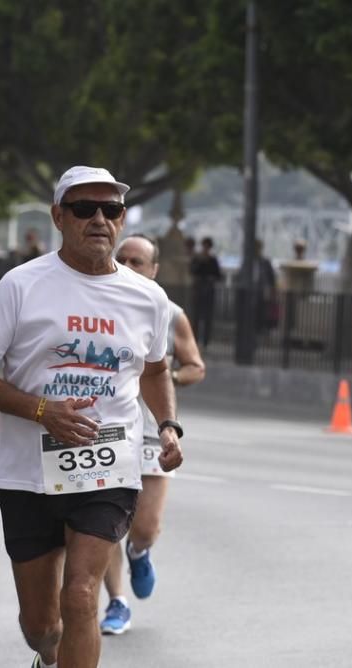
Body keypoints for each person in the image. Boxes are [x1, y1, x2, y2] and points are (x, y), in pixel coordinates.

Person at [0, 165, 184, 668]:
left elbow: (155, 369)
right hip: (27, 471)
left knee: (81, 596)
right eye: (85, 209)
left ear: (122, 220)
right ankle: (48, 658)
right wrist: (41, 411)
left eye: (111, 209)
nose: (99, 219)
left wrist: (167, 425)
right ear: (59, 216)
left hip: (108, 464)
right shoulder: (19, 286)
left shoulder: (149, 298)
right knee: (40, 626)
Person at [99, 234, 205, 635]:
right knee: (104, 521)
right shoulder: (94, 302)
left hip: (151, 430)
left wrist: (163, 378)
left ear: (154, 270)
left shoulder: (169, 312)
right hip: (106, 428)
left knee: (144, 526)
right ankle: (117, 602)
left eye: (138, 261)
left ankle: (140, 551)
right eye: (121, 258)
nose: (127, 266)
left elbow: (195, 366)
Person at [189, 237, 222, 347]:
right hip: (198, 291)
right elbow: (192, 271)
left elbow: (218, 276)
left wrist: (210, 278)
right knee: (197, 318)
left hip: (208, 291)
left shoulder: (213, 260)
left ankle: (205, 342)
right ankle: (196, 340)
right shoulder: (197, 258)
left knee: (207, 318)